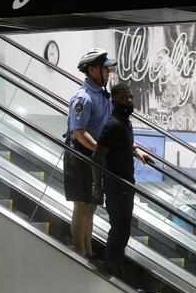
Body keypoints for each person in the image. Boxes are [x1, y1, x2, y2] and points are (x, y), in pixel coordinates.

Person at [91, 83, 154, 277]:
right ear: (114, 100)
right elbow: (97, 156)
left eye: (130, 97)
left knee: (124, 227)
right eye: (124, 98)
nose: (128, 101)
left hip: (127, 183)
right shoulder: (112, 125)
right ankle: (111, 264)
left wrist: (137, 152)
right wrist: (97, 184)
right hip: (115, 186)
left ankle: (117, 263)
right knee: (118, 227)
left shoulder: (125, 122)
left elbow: (128, 142)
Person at [65, 48, 117, 258]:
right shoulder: (83, 98)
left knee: (92, 205)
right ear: (93, 69)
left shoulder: (104, 96)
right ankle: (80, 253)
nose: (109, 72)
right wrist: (99, 151)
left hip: (95, 155)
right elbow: (79, 133)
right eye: (106, 68)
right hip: (81, 154)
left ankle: (88, 251)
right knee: (82, 204)